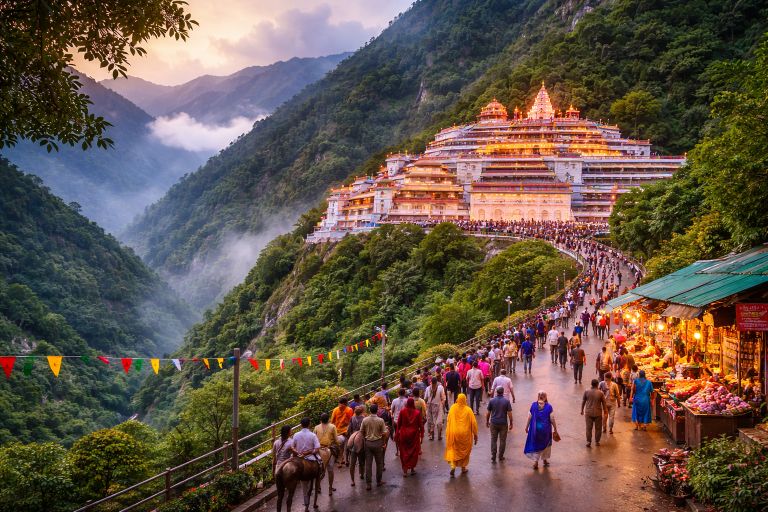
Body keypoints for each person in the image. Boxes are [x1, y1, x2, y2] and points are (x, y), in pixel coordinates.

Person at [444, 393, 478, 476]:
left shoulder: (452, 408)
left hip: (454, 432)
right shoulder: (468, 410)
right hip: (465, 434)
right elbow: (473, 423)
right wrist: (475, 435)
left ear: (457, 399)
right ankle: (463, 468)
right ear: (465, 400)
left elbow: (448, 419)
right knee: (464, 451)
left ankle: (453, 465)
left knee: (454, 449)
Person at [524, 391, 558, 470]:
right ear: (545, 397)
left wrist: (526, 427)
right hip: (546, 430)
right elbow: (552, 419)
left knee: (536, 444)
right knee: (546, 444)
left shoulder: (533, 405)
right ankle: (545, 460)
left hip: (535, 430)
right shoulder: (549, 407)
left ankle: (536, 462)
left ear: (538, 396)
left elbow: (529, 417)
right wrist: (555, 428)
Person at [292, 418, 321, 508]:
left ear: (301, 425)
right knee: (321, 464)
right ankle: (319, 478)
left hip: (299, 459)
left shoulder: (296, 434)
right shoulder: (312, 435)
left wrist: (297, 453)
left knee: (304, 485)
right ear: (309, 424)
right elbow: (317, 449)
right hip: (311, 458)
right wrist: (309, 452)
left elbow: (292, 447)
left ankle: (306, 503)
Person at [361, 403, 389, 490]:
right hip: (378, 443)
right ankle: (378, 481)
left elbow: (362, 431)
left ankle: (368, 484)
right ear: (377, 411)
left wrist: (365, 439)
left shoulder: (365, 420)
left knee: (368, 464)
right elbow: (384, 433)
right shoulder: (380, 420)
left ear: (370, 410)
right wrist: (383, 442)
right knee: (379, 463)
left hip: (368, 443)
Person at [395, 398, 424, 476]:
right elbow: (421, 425)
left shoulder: (402, 412)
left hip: (404, 434)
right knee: (414, 452)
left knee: (404, 451)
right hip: (414, 435)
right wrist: (422, 435)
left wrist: (397, 434)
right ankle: (412, 469)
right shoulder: (417, 413)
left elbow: (399, 424)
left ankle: (405, 470)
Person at [313, 413, 340, 495]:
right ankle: (330, 488)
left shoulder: (316, 427)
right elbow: (336, 440)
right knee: (330, 470)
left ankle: (318, 487)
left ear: (320, 420)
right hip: (329, 450)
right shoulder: (332, 426)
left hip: (319, 451)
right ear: (329, 419)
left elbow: (313, 439)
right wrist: (338, 446)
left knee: (319, 470)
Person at [485, 387, 513, 463]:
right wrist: (511, 423)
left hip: (493, 423)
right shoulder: (506, 401)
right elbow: (509, 414)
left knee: (493, 439)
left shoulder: (492, 401)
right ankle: (500, 456)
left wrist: (487, 421)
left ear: (496, 392)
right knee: (502, 440)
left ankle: (493, 455)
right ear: (503, 392)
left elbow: (488, 413)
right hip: (503, 423)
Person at [581, 379, 607, 447]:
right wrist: (605, 412)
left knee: (588, 428)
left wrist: (581, 410)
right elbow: (604, 403)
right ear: (597, 384)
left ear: (591, 384)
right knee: (598, 428)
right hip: (598, 413)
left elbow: (583, 401)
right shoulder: (600, 393)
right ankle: (597, 441)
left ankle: (588, 441)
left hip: (588, 412)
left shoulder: (587, 391)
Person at [330, 397, 353, 466]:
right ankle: (346, 460)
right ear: (346, 403)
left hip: (337, 431)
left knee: (340, 447)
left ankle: (341, 460)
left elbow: (332, 421)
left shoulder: (335, 410)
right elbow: (351, 421)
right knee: (348, 445)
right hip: (346, 431)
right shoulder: (349, 410)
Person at [347, 406, 366, 486]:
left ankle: (352, 480)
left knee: (352, 462)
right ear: (361, 411)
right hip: (361, 438)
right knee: (362, 459)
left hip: (353, 438)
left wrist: (350, 436)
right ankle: (361, 474)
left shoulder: (352, 418)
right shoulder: (364, 418)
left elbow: (349, 430)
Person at [424, 376, 446, 441]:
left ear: (436, 383)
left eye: (434, 384)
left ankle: (439, 435)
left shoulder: (440, 388)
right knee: (430, 422)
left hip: (438, 406)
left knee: (439, 422)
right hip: (430, 406)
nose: (433, 385)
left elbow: (443, 398)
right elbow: (425, 398)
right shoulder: (428, 388)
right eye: (432, 383)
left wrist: (442, 405)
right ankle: (431, 435)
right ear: (431, 383)